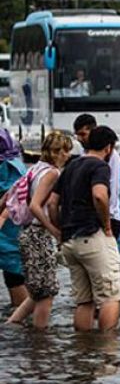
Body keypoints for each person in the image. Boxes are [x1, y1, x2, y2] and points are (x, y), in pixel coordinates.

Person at [50, 126, 120, 331]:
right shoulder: (100, 166)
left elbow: (53, 203)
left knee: (84, 301)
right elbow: (99, 195)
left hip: (69, 240)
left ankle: (82, 346)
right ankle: (108, 345)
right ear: (108, 148)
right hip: (92, 236)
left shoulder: (71, 166)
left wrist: (60, 229)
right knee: (110, 297)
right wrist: (107, 225)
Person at [6, 132, 72, 329]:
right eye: (65, 151)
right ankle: (40, 337)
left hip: (27, 232)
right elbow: (35, 205)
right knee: (46, 292)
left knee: (37, 290)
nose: (68, 155)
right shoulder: (52, 173)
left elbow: (9, 195)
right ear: (56, 152)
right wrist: (54, 230)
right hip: (38, 234)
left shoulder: (35, 168)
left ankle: (12, 324)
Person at [73, 114, 120, 239]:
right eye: (77, 135)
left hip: (107, 216)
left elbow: (113, 187)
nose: (79, 139)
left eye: (83, 134)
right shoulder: (83, 154)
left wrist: (108, 219)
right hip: (88, 217)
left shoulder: (111, 155)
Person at [0, 131, 26, 309]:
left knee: (14, 275)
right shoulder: (17, 166)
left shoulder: (10, 168)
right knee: (14, 273)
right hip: (13, 232)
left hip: (10, 231)